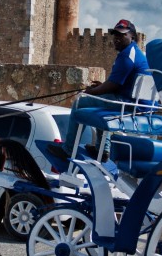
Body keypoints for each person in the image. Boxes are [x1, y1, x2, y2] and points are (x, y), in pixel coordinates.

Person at [48, 19, 149, 162]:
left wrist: (91, 92)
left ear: (132, 36)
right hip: (136, 103)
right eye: (115, 35)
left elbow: (113, 85)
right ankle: (102, 150)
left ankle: (68, 149)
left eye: (121, 35)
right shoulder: (134, 52)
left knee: (80, 103)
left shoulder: (127, 56)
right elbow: (117, 84)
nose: (116, 39)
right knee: (101, 103)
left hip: (130, 104)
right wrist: (101, 87)